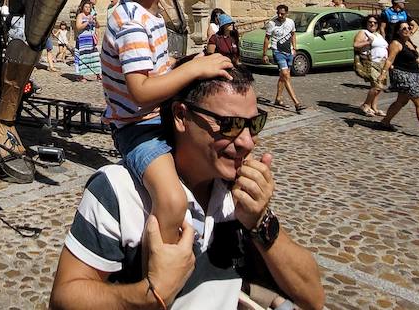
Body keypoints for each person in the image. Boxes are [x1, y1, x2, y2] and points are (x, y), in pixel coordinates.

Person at [50, 67, 324, 310]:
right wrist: (147, 296)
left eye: (255, 124)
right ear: (181, 116)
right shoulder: (119, 190)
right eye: (230, 125)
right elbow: (64, 297)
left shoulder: (238, 192)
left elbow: (313, 298)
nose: (247, 142)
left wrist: (260, 220)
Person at [102, 0, 235, 246]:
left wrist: (185, 64)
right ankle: (158, 278)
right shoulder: (132, 24)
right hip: (139, 129)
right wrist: (191, 71)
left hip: (160, 117)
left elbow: (156, 69)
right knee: (173, 201)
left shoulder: (145, 13)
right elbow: (141, 91)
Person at [377, 21, 419, 141]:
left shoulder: (408, 42)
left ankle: (385, 122)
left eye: (408, 27)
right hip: (404, 76)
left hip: (413, 75)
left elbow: (416, 58)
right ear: (398, 31)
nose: (407, 30)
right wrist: (383, 74)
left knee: (401, 101)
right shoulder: (396, 44)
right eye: (403, 29)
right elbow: (389, 60)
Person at [265, 5, 305, 113]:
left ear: (286, 13)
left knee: (284, 76)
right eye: (278, 13)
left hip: (289, 52)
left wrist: (295, 47)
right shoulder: (271, 24)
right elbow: (267, 38)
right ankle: (296, 103)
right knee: (286, 75)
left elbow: (293, 34)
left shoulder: (290, 22)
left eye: (282, 14)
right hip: (277, 52)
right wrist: (264, 54)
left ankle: (278, 98)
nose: (279, 15)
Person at [353, 15, 390, 116]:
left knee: (378, 87)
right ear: (366, 22)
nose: (372, 24)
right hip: (371, 62)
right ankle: (366, 105)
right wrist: (368, 42)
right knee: (377, 86)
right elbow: (356, 45)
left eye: (375, 22)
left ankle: (374, 107)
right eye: (370, 22)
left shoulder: (378, 35)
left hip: (382, 64)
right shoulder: (363, 32)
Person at [74, 0, 100, 81]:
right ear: (82, 7)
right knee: (83, 57)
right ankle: (81, 76)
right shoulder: (80, 16)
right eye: (86, 7)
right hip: (82, 40)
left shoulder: (91, 15)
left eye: (89, 7)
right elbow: (78, 27)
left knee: (94, 56)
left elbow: (98, 26)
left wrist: (95, 20)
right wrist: (87, 22)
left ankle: (98, 74)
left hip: (90, 39)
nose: (88, 8)